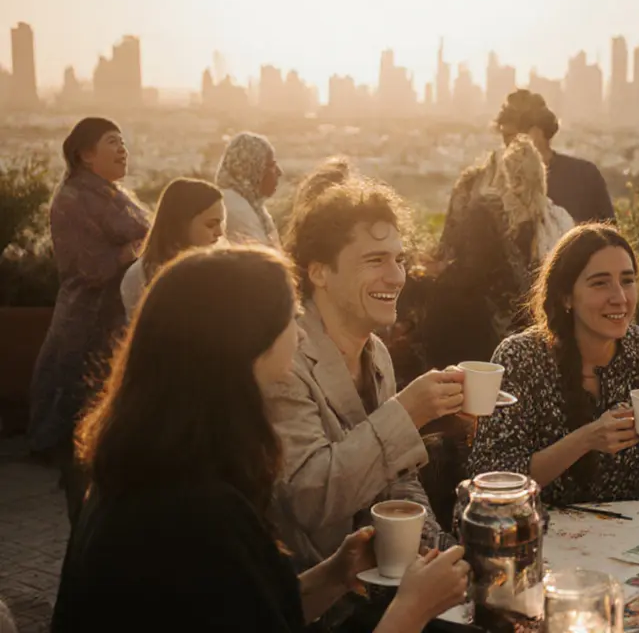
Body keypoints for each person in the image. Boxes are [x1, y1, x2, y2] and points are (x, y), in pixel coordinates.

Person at [52, 247, 469, 632]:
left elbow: (247, 609)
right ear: (244, 344)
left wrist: (334, 575)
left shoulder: (148, 472)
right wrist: (412, 609)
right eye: (290, 319)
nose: (301, 336)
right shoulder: (196, 514)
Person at [268, 169, 464, 576]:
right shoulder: (286, 361)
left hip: (377, 578)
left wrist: (443, 554)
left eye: (399, 260)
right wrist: (407, 413)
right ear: (319, 272)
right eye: (375, 260)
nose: (396, 276)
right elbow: (310, 500)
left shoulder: (376, 353)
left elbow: (398, 482)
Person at [468, 225, 639, 506]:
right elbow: (494, 479)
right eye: (600, 283)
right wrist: (586, 439)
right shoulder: (519, 358)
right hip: (538, 524)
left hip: (633, 524)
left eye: (627, 281)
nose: (620, 297)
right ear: (566, 296)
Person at [28, 117, 149, 526]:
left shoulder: (114, 195)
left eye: (123, 141)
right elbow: (90, 268)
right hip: (84, 336)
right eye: (112, 141)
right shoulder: (73, 199)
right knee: (81, 449)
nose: (123, 149)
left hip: (114, 332)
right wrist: (137, 247)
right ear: (84, 154)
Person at [412, 134, 574, 371]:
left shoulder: (486, 214)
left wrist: (433, 275)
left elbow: (469, 272)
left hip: (485, 332)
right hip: (537, 327)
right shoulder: (557, 220)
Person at [495, 88, 615, 224]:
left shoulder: (585, 176)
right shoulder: (496, 183)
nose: (507, 145)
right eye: (504, 136)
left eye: (511, 136)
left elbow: (609, 232)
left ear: (536, 133)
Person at [120, 178, 224, 315]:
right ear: (181, 225)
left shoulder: (220, 269)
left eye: (221, 223)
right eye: (210, 225)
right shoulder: (140, 276)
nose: (220, 233)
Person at [216, 131, 283, 247]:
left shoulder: (249, 203)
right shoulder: (236, 208)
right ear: (251, 169)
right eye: (271, 165)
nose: (279, 172)